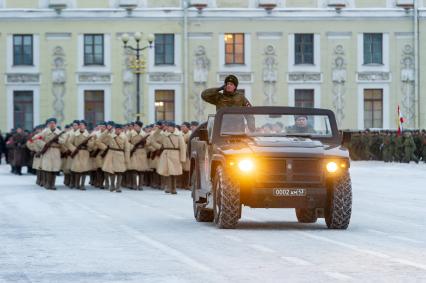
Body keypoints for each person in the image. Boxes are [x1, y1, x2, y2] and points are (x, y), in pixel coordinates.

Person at [157, 121, 187, 195]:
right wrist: (159, 130)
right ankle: (168, 187)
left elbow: (182, 147)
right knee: (167, 172)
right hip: (166, 154)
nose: (167, 128)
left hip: (175, 155)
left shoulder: (179, 135)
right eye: (167, 126)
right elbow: (156, 140)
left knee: (174, 173)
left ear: (173, 127)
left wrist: (182, 158)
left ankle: (173, 188)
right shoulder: (164, 134)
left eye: (169, 127)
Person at [37, 118, 66, 190]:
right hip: (47, 151)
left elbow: (64, 141)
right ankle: (47, 183)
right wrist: (45, 144)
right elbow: (38, 139)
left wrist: (58, 140)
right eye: (50, 123)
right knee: (47, 168)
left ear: (56, 124)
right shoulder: (44, 132)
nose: (52, 124)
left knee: (54, 168)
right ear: (48, 124)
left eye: (53, 123)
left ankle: (52, 184)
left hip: (56, 151)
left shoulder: (59, 132)